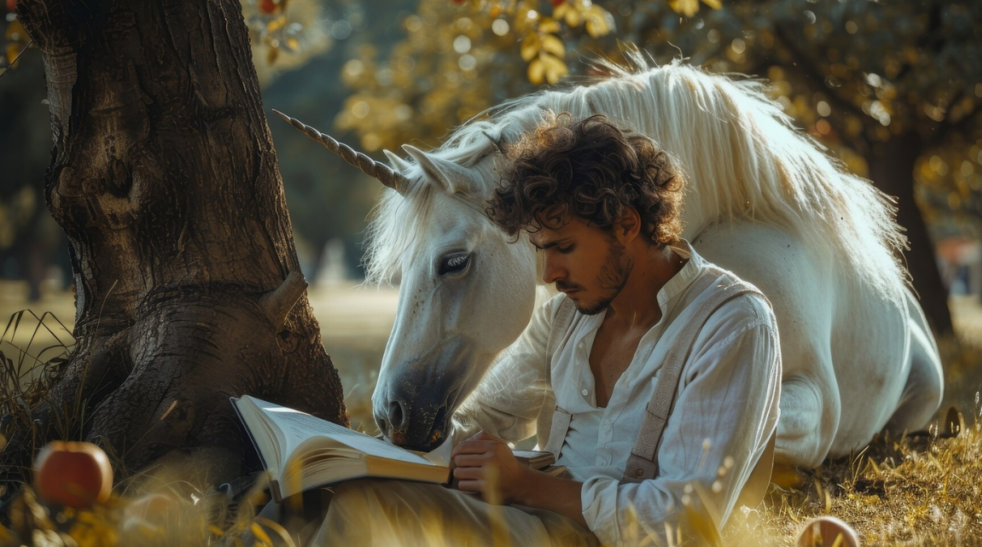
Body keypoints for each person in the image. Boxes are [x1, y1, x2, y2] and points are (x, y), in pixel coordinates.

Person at [259, 113, 781, 547]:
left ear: (626, 223)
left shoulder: (732, 325)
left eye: (565, 248)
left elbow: (685, 522)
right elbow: (483, 423)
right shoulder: (567, 318)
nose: (551, 274)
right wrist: (356, 454)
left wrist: (525, 485)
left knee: (361, 512)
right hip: (532, 519)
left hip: (587, 535)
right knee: (319, 498)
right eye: (542, 251)